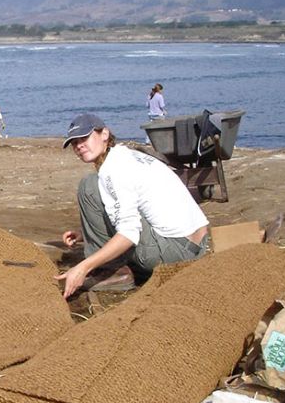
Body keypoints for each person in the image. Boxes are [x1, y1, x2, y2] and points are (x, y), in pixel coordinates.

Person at [56, 112, 209, 299]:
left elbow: (129, 233)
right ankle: (116, 263)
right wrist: (87, 234)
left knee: (89, 186)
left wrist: (82, 268)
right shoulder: (128, 155)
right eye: (74, 143)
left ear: (104, 134)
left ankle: (113, 273)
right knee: (99, 190)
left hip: (174, 253)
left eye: (84, 138)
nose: (79, 146)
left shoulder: (112, 171)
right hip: (198, 246)